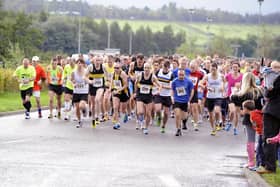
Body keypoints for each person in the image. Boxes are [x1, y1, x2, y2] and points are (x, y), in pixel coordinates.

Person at [257, 61, 280, 174]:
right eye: (274, 67)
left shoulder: (273, 78)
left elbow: (268, 94)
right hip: (273, 110)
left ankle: (270, 167)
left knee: (269, 138)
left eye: (277, 67)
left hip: (273, 111)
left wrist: (268, 90)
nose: (275, 70)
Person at [135, 63, 161, 135]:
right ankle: (142, 120)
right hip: (140, 95)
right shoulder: (140, 75)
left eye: (148, 68)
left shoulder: (153, 77)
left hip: (149, 96)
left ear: (150, 69)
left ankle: (146, 128)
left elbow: (160, 85)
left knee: (148, 114)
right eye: (145, 68)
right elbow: (136, 83)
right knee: (140, 112)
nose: (146, 69)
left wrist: (158, 91)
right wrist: (135, 92)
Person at [199, 62, 224, 136]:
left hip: (218, 96)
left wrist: (223, 87)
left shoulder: (221, 76)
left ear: (216, 69)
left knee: (216, 111)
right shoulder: (207, 76)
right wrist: (206, 87)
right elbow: (200, 83)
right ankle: (213, 129)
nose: (212, 71)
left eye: (214, 69)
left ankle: (217, 122)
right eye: (211, 69)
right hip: (209, 97)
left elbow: (225, 83)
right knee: (210, 115)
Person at [171, 68, 194, 136]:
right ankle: (178, 129)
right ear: (177, 74)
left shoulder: (188, 81)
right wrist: (172, 97)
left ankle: (184, 122)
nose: (181, 76)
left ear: (184, 75)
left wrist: (189, 99)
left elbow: (192, 90)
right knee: (177, 115)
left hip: (185, 101)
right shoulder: (174, 81)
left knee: (184, 117)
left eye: (182, 75)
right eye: (179, 75)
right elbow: (172, 90)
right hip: (177, 100)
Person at [86, 56, 105, 128]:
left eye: (99, 60)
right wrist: (89, 81)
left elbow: (108, 75)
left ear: (101, 61)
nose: (97, 62)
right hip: (92, 86)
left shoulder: (103, 67)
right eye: (96, 60)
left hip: (100, 86)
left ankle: (98, 116)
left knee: (97, 99)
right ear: (94, 61)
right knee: (93, 104)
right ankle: (93, 118)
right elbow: (84, 76)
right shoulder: (90, 67)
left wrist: (109, 82)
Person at [154, 60, 174, 133]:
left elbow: (171, 87)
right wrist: (158, 86)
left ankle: (163, 126)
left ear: (168, 67)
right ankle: (159, 117)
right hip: (159, 94)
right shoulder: (158, 72)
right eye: (164, 66)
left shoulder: (171, 74)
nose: (165, 68)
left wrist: (163, 86)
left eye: (166, 67)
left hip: (167, 95)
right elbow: (153, 81)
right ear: (162, 66)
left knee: (166, 113)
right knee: (158, 109)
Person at [225, 62, 243, 135]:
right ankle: (229, 122)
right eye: (233, 67)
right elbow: (224, 83)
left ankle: (235, 128)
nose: (235, 68)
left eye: (236, 67)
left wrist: (240, 86)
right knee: (232, 111)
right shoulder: (228, 76)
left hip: (238, 96)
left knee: (236, 113)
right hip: (230, 95)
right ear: (231, 68)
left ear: (239, 68)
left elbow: (244, 85)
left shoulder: (242, 76)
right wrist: (224, 91)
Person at [110, 62, 130, 130]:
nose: (116, 69)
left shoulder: (123, 74)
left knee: (122, 110)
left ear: (120, 68)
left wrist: (119, 90)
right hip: (116, 92)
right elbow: (111, 82)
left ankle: (126, 114)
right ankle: (117, 123)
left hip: (124, 92)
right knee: (115, 107)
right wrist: (110, 89)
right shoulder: (113, 74)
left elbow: (126, 85)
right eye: (115, 68)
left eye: (117, 68)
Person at [71, 59, 88, 128]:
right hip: (76, 92)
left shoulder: (86, 71)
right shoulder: (73, 72)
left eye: (81, 63)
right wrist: (73, 83)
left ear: (83, 64)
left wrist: (87, 81)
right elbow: (72, 80)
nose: (79, 64)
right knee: (77, 108)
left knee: (81, 106)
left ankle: (84, 110)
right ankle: (79, 121)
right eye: (78, 63)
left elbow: (89, 79)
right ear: (76, 64)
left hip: (84, 91)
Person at [189, 60, 204, 131]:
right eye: (191, 67)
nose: (192, 68)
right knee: (188, 108)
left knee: (195, 108)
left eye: (193, 67)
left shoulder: (200, 74)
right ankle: (184, 121)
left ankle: (195, 124)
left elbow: (204, 81)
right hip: (186, 92)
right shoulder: (186, 73)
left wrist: (201, 86)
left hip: (194, 92)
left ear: (196, 67)